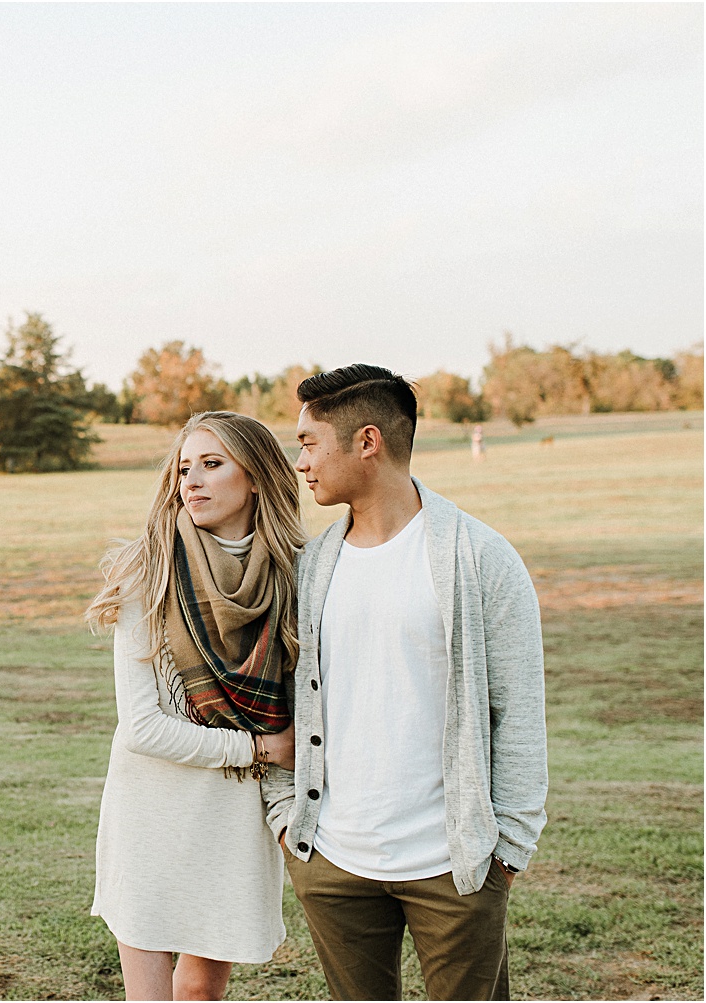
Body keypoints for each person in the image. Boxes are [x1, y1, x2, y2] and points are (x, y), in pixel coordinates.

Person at [262, 364, 548, 1001]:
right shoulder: (311, 568)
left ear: (368, 442)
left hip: (454, 865)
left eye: (309, 443)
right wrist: (288, 817)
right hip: (332, 859)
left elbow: (519, 707)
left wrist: (508, 846)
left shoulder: (479, 557)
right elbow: (284, 699)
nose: (300, 463)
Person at [85, 411, 304, 1001]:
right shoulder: (147, 570)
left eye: (212, 465)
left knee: (204, 991)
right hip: (152, 807)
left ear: (255, 476)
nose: (193, 482)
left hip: (233, 811)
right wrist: (260, 747)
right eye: (185, 468)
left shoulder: (295, 576)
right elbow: (142, 728)